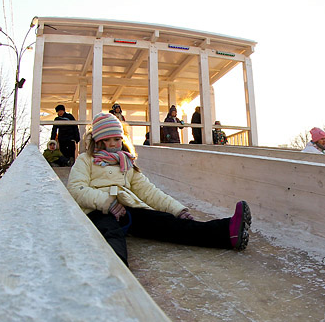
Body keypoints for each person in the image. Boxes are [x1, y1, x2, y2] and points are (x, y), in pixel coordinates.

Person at [67, 112, 252, 266]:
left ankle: (227, 232)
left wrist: (177, 209)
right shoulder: (86, 160)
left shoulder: (127, 163)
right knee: (111, 234)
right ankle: (115, 274)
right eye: (109, 140)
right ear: (99, 141)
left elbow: (149, 192)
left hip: (127, 212)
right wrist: (108, 203)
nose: (115, 144)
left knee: (166, 222)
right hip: (97, 212)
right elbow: (76, 188)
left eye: (117, 139)